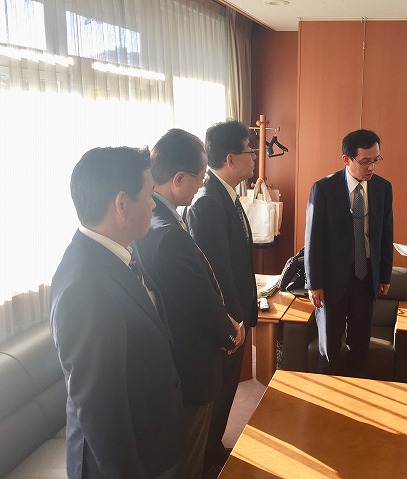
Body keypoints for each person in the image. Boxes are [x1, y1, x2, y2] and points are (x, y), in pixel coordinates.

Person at [49, 147, 184, 479]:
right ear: (122, 204)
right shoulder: (84, 288)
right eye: (149, 194)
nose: (154, 204)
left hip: (149, 441)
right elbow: (101, 412)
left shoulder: (118, 251)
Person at [133, 129, 243, 479]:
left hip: (177, 362)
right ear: (179, 178)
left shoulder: (157, 221)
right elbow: (198, 302)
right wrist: (229, 332)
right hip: (190, 363)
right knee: (189, 459)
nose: (202, 184)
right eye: (200, 177)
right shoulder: (166, 233)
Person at [184, 120, 257, 476]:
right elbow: (215, 275)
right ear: (231, 159)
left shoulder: (226, 195)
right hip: (226, 323)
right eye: (249, 150)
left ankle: (214, 446)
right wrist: (232, 323)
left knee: (228, 390)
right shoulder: (207, 203)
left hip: (237, 317)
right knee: (219, 391)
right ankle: (206, 457)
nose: (254, 157)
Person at [304, 129, 393, 376]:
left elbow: (385, 234)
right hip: (331, 280)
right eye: (365, 161)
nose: (371, 167)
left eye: (376, 160)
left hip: (366, 275)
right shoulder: (323, 188)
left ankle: (356, 390)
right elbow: (313, 240)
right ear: (347, 159)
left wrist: (384, 275)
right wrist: (314, 284)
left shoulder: (383, 188)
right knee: (330, 346)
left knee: (360, 344)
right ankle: (327, 392)